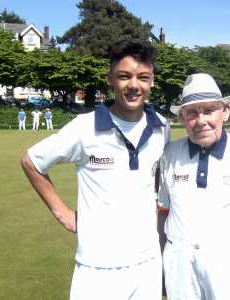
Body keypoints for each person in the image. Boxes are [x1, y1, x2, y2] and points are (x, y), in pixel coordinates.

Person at [20, 39, 170, 300]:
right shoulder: (83, 127)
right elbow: (32, 161)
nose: (134, 85)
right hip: (97, 266)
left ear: (152, 81)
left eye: (143, 77)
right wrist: (63, 213)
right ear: (110, 79)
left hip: (148, 263)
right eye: (124, 76)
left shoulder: (161, 127)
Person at [158, 73, 230, 300]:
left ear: (226, 111)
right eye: (191, 113)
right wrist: (159, 266)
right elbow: (163, 214)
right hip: (178, 262)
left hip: (228, 261)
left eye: (209, 110)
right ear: (182, 117)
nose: (201, 121)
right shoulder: (169, 154)